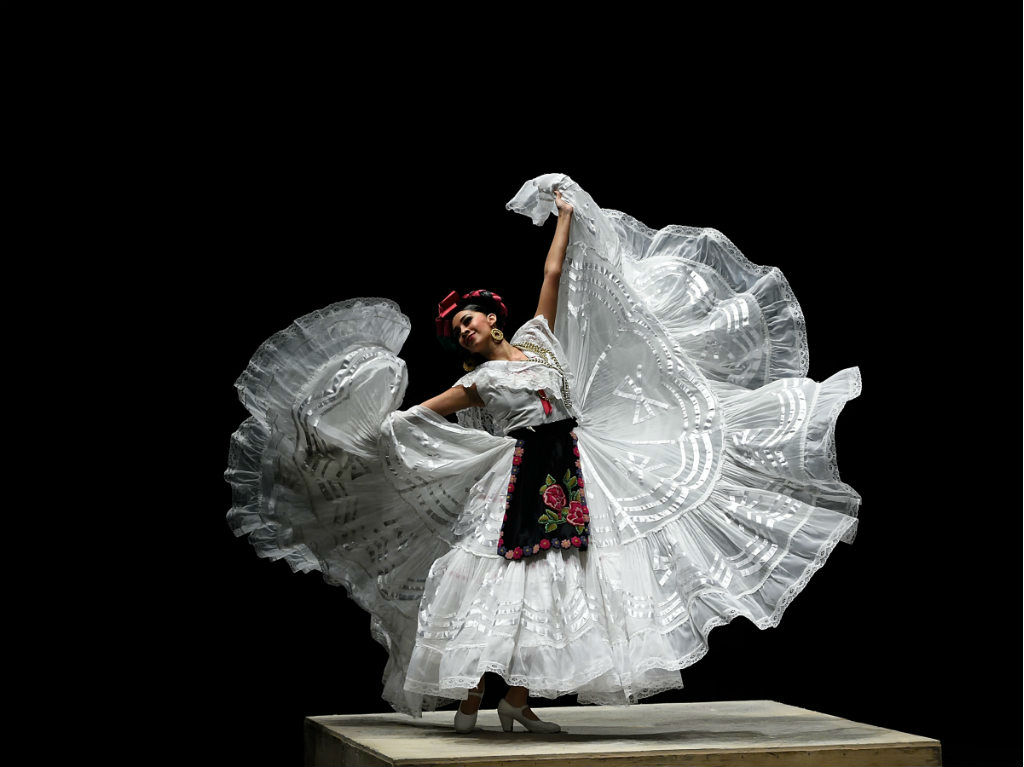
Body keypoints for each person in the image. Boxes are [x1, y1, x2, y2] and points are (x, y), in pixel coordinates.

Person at [225, 173, 863, 735]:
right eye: (457, 332)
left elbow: (553, 276)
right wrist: (355, 420)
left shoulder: (537, 344)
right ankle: (477, 691)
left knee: (559, 579)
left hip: (575, 462)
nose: (465, 331)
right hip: (526, 471)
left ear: (492, 319)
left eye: (469, 321)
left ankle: (517, 698)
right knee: (502, 577)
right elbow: (412, 418)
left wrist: (564, 216)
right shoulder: (476, 383)